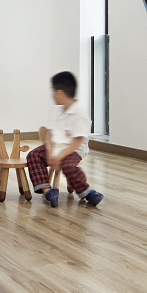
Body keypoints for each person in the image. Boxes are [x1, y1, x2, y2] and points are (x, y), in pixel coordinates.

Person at [26, 71, 103, 207]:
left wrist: (59, 156)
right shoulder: (60, 111)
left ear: (59, 93)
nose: (52, 94)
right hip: (57, 146)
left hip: (73, 149)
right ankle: (48, 191)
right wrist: (51, 152)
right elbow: (50, 134)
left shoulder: (80, 114)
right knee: (33, 155)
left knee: (67, 165)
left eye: (52, 91)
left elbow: (77, 142)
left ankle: (87, 192)